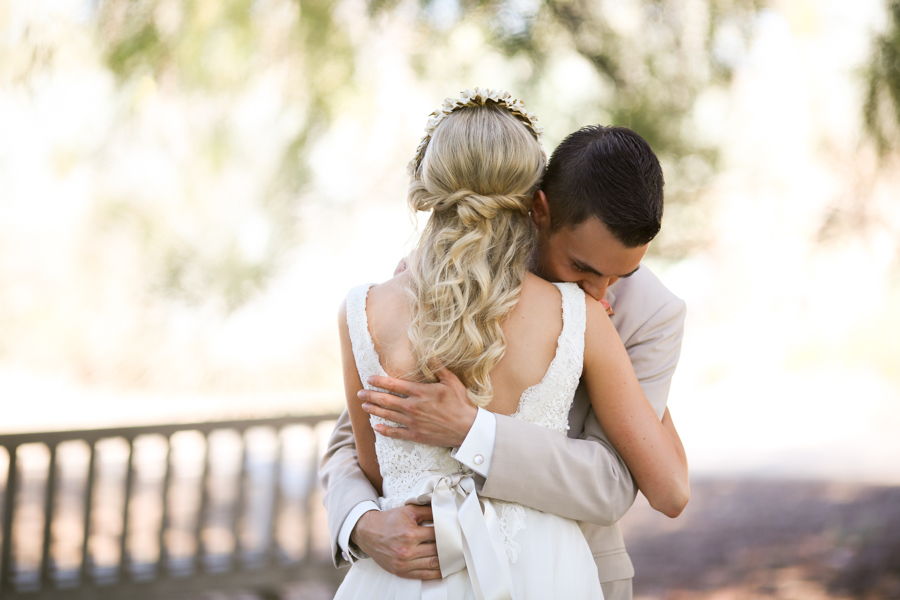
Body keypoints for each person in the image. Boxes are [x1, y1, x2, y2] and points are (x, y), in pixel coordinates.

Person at [325, 88, 688, 600]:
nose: (603, 293)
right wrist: (361, 523)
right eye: (583, 268)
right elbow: (360, 441)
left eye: (623, 275)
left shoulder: (643, 313)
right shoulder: (418, 290)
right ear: (538, 209)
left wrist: (474, 431)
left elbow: (627, 484)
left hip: (560, 569)